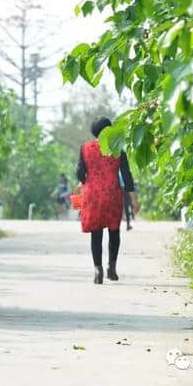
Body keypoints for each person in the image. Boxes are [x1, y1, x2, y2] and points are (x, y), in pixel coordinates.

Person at [76, 117, 140, 284]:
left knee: (96, 234)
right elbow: (127, 177)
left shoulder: (85, 148)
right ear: (109, 131)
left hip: (92, 196)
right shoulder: (117, 149)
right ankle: (112, 267)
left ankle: (98, 270)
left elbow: (79, 173)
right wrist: (134, 200)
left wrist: (84, 182)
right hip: (112, 195)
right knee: (114, 232)